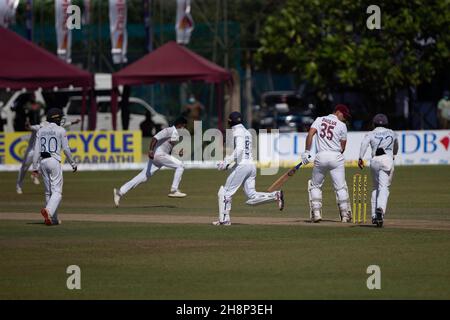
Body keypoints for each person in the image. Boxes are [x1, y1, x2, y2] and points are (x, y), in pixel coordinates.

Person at [213, 112, 284, 226]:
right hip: (251, 166)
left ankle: (224, 220)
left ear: (230, 121)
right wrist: (229, 164)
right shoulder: (246, 132)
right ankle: (275, 195)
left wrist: (226, 162)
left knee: (225, 193)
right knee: (251, 197)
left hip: (242, 166)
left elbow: (240, 150)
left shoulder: (237, 132)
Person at [113, 117, 188, 207]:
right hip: (158, 155)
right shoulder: (169, 130)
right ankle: (174, 190)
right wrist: (151, 151)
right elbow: (155, 138)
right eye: (184, 126)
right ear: (179, 125)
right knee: (181, 165)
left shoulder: (176, 135)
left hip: (159, 158)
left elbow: (168, 150)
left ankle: (120, 192)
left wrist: (178, 152)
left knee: (143, 177)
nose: (184, 129)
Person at [301, 104, 352, 223]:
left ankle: (317, 213)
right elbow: (342, 147)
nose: (345, 118)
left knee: (315, 185)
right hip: (336, 157)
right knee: (340, 187)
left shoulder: (319, 120)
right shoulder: (342, 125)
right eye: (344, 115)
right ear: (338, 112)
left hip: (321, 156)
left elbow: (310, 134)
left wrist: (307, 152)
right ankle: (345, 215)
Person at [32, 108, 77, 226]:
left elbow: (36, 150)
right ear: (56, 118)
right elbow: (66, 149)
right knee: (57, 192)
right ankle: (49, 211)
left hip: (43, 162)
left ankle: (53, 219)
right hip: (54, 160)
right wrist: (72, 163)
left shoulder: (41, 130)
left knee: (48, 193)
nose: (62, 120)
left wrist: (35, 167)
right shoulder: (61, 130)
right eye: (60, 118)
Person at [16, 117, 80, 194]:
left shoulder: (52, 127)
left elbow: (63, 125)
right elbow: (29, 127)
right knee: (24, 168)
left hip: (42, 150)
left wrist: (74, 122)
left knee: (44, 163)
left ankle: (35, 175)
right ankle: (19, 186)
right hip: (32, 151)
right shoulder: (38, 127)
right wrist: (27, 125)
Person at [358, 114, 398, 228]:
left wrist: (360, 158)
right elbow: (396, 146)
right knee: (384, 187)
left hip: (374, 161)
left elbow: (364, 144)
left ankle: (374, 216)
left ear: (373, 123)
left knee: (376, 188)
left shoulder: (370, 133)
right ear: (386, 123)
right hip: (387, 160)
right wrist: (394, 154)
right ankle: (380, 209)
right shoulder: (392, 132)